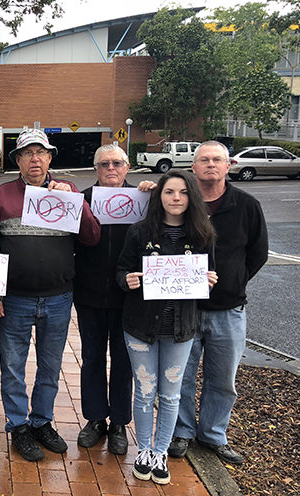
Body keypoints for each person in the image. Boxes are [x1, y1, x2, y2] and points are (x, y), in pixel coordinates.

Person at [0, 128, 100, 461]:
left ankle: (41, 421)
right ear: (18, 160)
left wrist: (76, 203)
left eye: (41, 153)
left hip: (58, 297)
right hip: (15, 299)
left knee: (50, 367)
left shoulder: (68, 192)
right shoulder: (2, 195)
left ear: (50, 158)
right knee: (12, 367)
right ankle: (19, 426)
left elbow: (92, 237)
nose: (34, 159)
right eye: (27, 153)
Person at [116, 169, 217, 485]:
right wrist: (127, 280)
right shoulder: (139, 232)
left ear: (192, 197)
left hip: (180, 328)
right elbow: (121, 271)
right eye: (169, 191)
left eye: (183, 192)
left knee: (171, 394)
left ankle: (160, 451)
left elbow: (209, 274)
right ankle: (143, 450)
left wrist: (209, 280)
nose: (176, 198)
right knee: (145, 391)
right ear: (159, 197)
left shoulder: (202, 235)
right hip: (140, 326)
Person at [170, 141, 268, 465]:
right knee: (181, 377)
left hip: (229, 311)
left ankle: (213, 434)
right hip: (184, 309)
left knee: (223, 380)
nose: (210, 164)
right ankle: (182, 432)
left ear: (228, 166)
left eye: (217, 159)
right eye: (204, 160)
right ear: (193, 167)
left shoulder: (247, 205)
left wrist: (234, 281)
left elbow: (257, 253)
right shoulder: (180, 203)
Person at [73, 144, 156, 455]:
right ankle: (95, 418)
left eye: (117, 163)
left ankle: (120, 422)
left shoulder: (144, 200)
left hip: (130, 297)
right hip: (89, 293)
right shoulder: (82, 200)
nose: (111, 168)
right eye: (104, 164)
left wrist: (156, 194)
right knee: (92, 357)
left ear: (127, 167)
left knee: (124, 361)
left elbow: (173, 218)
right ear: (95, 169)